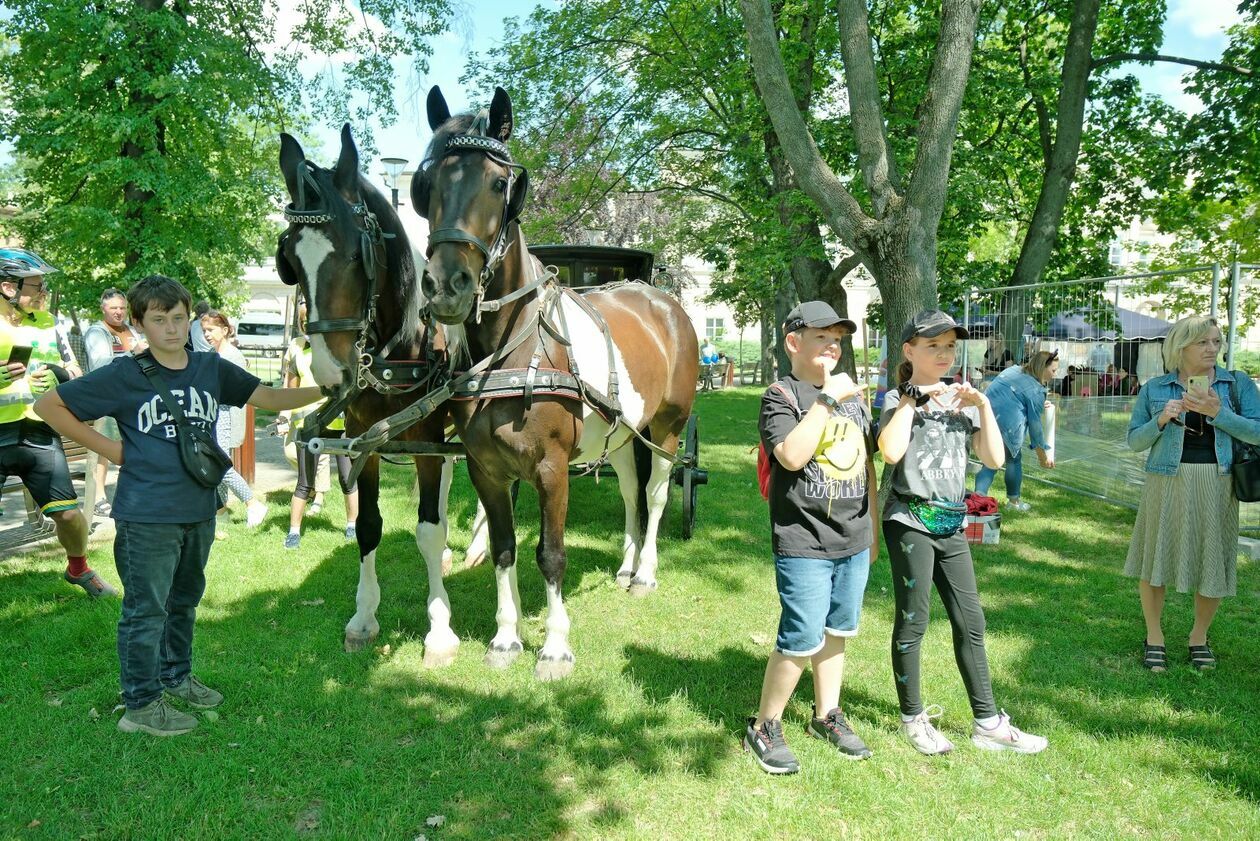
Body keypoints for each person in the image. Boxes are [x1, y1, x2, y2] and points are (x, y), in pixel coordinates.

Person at [36, 274, 323, 736]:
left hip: (198, 507)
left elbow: (268, 397)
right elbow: (49, 406)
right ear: (139, 323)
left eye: (178, 317)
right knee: (146, 610)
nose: (170, 328)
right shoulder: (124, 374)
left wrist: (330, 388)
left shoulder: (211, 368)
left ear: (189, 318)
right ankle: (141, 705)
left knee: (184, 600)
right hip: (147, 513)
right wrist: (114, 452)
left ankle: (175, 675)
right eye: (158, 319)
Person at [878, 310, 1048, 756]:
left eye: (950, 346)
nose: (943, 354)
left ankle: (988, 722)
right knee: (913, 621)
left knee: (971, 621)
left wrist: (984, 406)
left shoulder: (962, 399)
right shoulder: (897, 397)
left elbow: (992, 459)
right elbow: (890, 451)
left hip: (952, 522)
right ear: (909, 351)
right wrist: (912, 401)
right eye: (933, 346)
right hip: (909, 522)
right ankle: (913, 719)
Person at [744, 301, 878, 775]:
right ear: (794, 342)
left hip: (853, 537)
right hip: (804, 539)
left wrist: (872, 531)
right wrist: (826, 401)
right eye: (821, 337)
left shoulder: (855, 398)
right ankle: (764, 726)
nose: (831, 346)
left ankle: (826, 715)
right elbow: (792, 456)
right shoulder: (781, 395)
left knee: (838, 630)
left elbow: (871, 459)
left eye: (837, 338)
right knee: (800, 636)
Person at [1124, 316, 1260, 673]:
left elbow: (1257, 433)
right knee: (1155, 560)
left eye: (1216, 341)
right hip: (1165, 481)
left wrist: (1218, 412)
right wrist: (1161, 421)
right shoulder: (1155, 388)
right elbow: (1134, 441)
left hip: (1219, 482)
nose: (1212, 349)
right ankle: (1154, 637)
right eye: (1203, 342)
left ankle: (1198, 637)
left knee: (1212, 560)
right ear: (1180, 347)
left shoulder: (1237, 384)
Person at [0, 248, 114, 598]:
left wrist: (58, 375)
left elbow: (76, 372)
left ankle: (78, 569)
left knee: (67, 515)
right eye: (37, 286)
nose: (44, 292)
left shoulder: (50, 323)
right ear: (8, 288)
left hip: (39, 434)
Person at [279, 327, 358, 548]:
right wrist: (284, 418)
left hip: (339, 425)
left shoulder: (341, 351)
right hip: (308, 426)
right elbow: (289, 392)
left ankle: (352, 525)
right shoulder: (299, 354)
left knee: (347, 479)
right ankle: (294, 531)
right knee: (304, 482)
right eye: (304, 323)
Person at [200, 310, 268, 531]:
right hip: (213, 414)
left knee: (220, 463)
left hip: (226, 414)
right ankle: (221, 512)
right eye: (204, 331)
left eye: (210, 330)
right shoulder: (211, 354)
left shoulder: (233, 356)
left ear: (225, 330)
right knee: (218, 463)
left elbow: (239, 392)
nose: (207, 334)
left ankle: (252, 503)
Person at [83, 287, 145, 517]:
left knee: (131, 446)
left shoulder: (130, 330)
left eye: (122, 307)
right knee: (103, 449)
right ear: (103, 309)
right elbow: (100, 365)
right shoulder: (97, 332)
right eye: (113, 308)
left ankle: (128, 495)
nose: (119, 312)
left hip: (132, 398)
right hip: (107, 398)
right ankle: (98, 497)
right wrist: (134, 354)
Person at [974, 350, 1059, 511]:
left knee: (990, 459)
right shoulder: (1036, 390)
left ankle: (978, 498)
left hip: (985, 417)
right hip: (1008, 426)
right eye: (1053, 370)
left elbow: (1015, 394)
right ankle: (1014, 503)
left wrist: (1039, 403)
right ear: (1042, 367)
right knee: (1013, 459)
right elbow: (1035, 428)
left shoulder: (1013, 370)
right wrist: (1043, 457)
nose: (1054, 375)